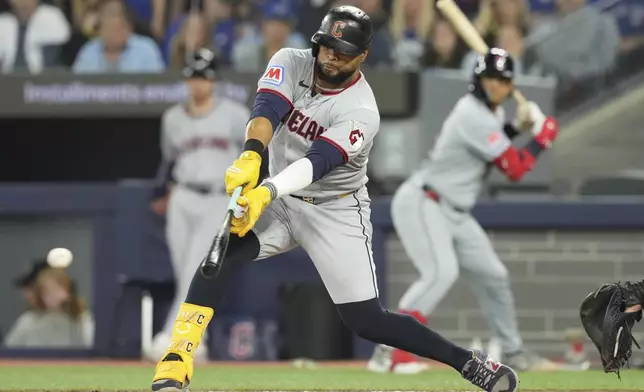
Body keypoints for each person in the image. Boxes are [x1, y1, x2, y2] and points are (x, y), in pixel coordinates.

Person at [150, 7, 519, 392]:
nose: (330, 56)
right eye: (327, 46)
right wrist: (251, 155)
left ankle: (468, 363)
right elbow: (267, 111)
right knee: (221, 252)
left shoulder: (361, 110)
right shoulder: (290, 60)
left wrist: (268, 189)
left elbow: (318, 162)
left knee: (367, 321)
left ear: (362, 56)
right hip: (279, 199)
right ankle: (178, 357)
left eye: (342, 51)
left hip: (334, 208)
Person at [367, 48, 559, 374]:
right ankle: (390, 352)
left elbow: (485, 150)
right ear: (478, 80)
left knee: (494, 276)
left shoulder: (490, 115)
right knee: (440, 272)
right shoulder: (473, 113)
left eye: (503, 80)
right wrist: (541, 138)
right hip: (425, 201)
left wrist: (516, 127)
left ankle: (512, 351)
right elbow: (513, 168)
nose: (496, 85)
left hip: (455, 210)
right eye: (490, 79)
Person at [147, 47, 250, 363]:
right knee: (185, 272)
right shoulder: (173, 118)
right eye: (193, 76)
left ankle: (174, 338)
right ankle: (196, 341)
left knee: (196, 268)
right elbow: (170, 159)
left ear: (214, 79)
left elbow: (252, 158)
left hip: (219, 198)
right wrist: (163, 193)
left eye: (204, 76)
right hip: (183, 197)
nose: (198, 83)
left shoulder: (234, 114)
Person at [4, 266, 94, 348]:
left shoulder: (81, 319)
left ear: (66, 290)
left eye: (55, 290)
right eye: (45, 292)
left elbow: (90, 345)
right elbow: (10, 348)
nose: (51, 296)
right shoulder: (29, 319)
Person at [72, 0, 164, 73]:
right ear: (100, 28)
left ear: (128, 27)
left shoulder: (146, 50)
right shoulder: (88, 52)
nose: (112, 24)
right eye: (108, 20)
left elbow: (160, 89)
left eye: (116, 17)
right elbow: (74, 89)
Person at [0, 0, 71, 74]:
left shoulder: (51, 16)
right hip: (7, 79)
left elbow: (53, 60)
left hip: (41, 79)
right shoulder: (3, 22)